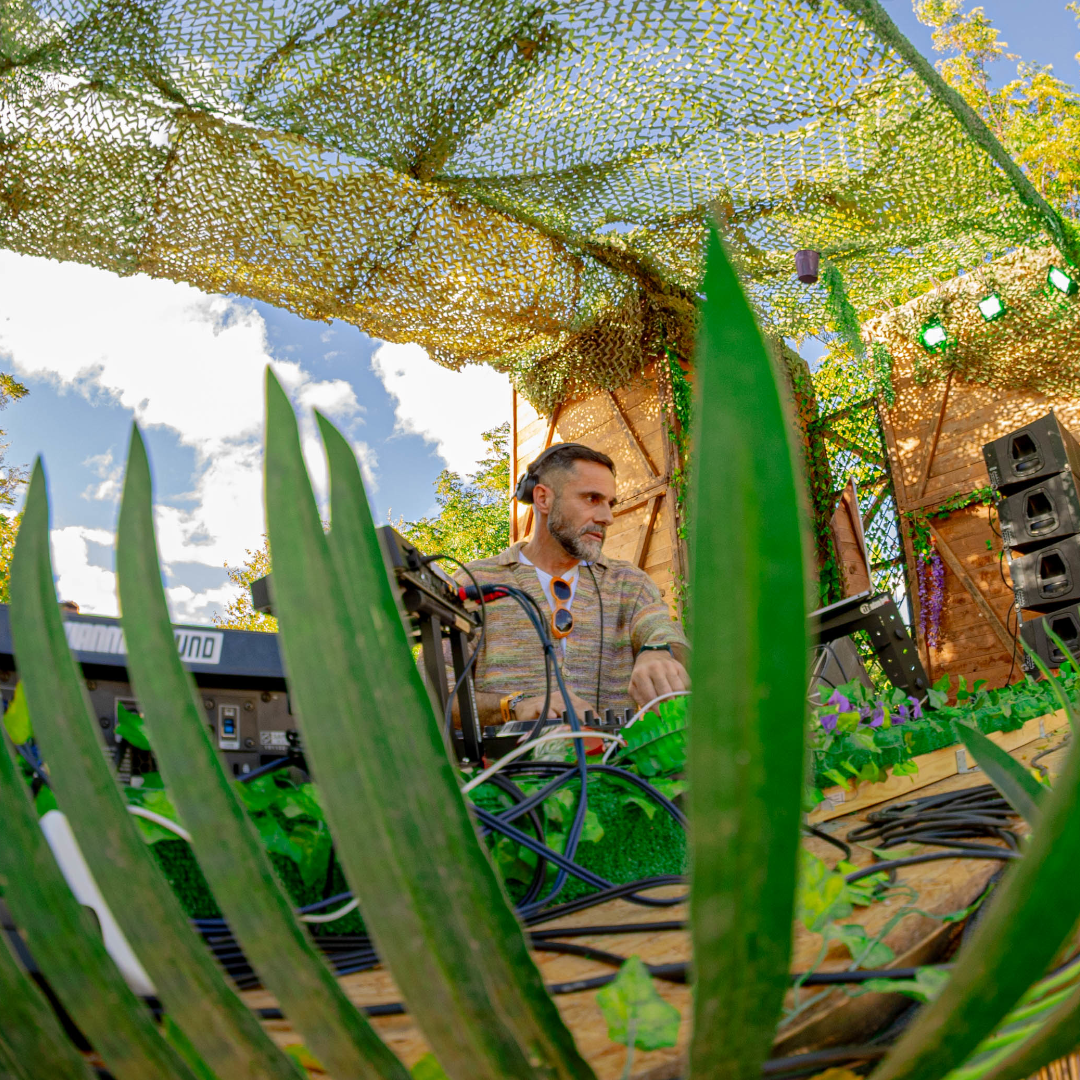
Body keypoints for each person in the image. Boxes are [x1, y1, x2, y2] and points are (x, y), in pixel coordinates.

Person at [459, 442, 689, 726]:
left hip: (616, 758)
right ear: (543, 498)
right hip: (510, 757)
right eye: (592, 499)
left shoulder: (630, 583)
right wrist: (513, 706)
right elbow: (434, 694)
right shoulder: (474, 582)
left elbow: (664, 632)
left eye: (610, 503)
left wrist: (659, 652)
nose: (607, 518)